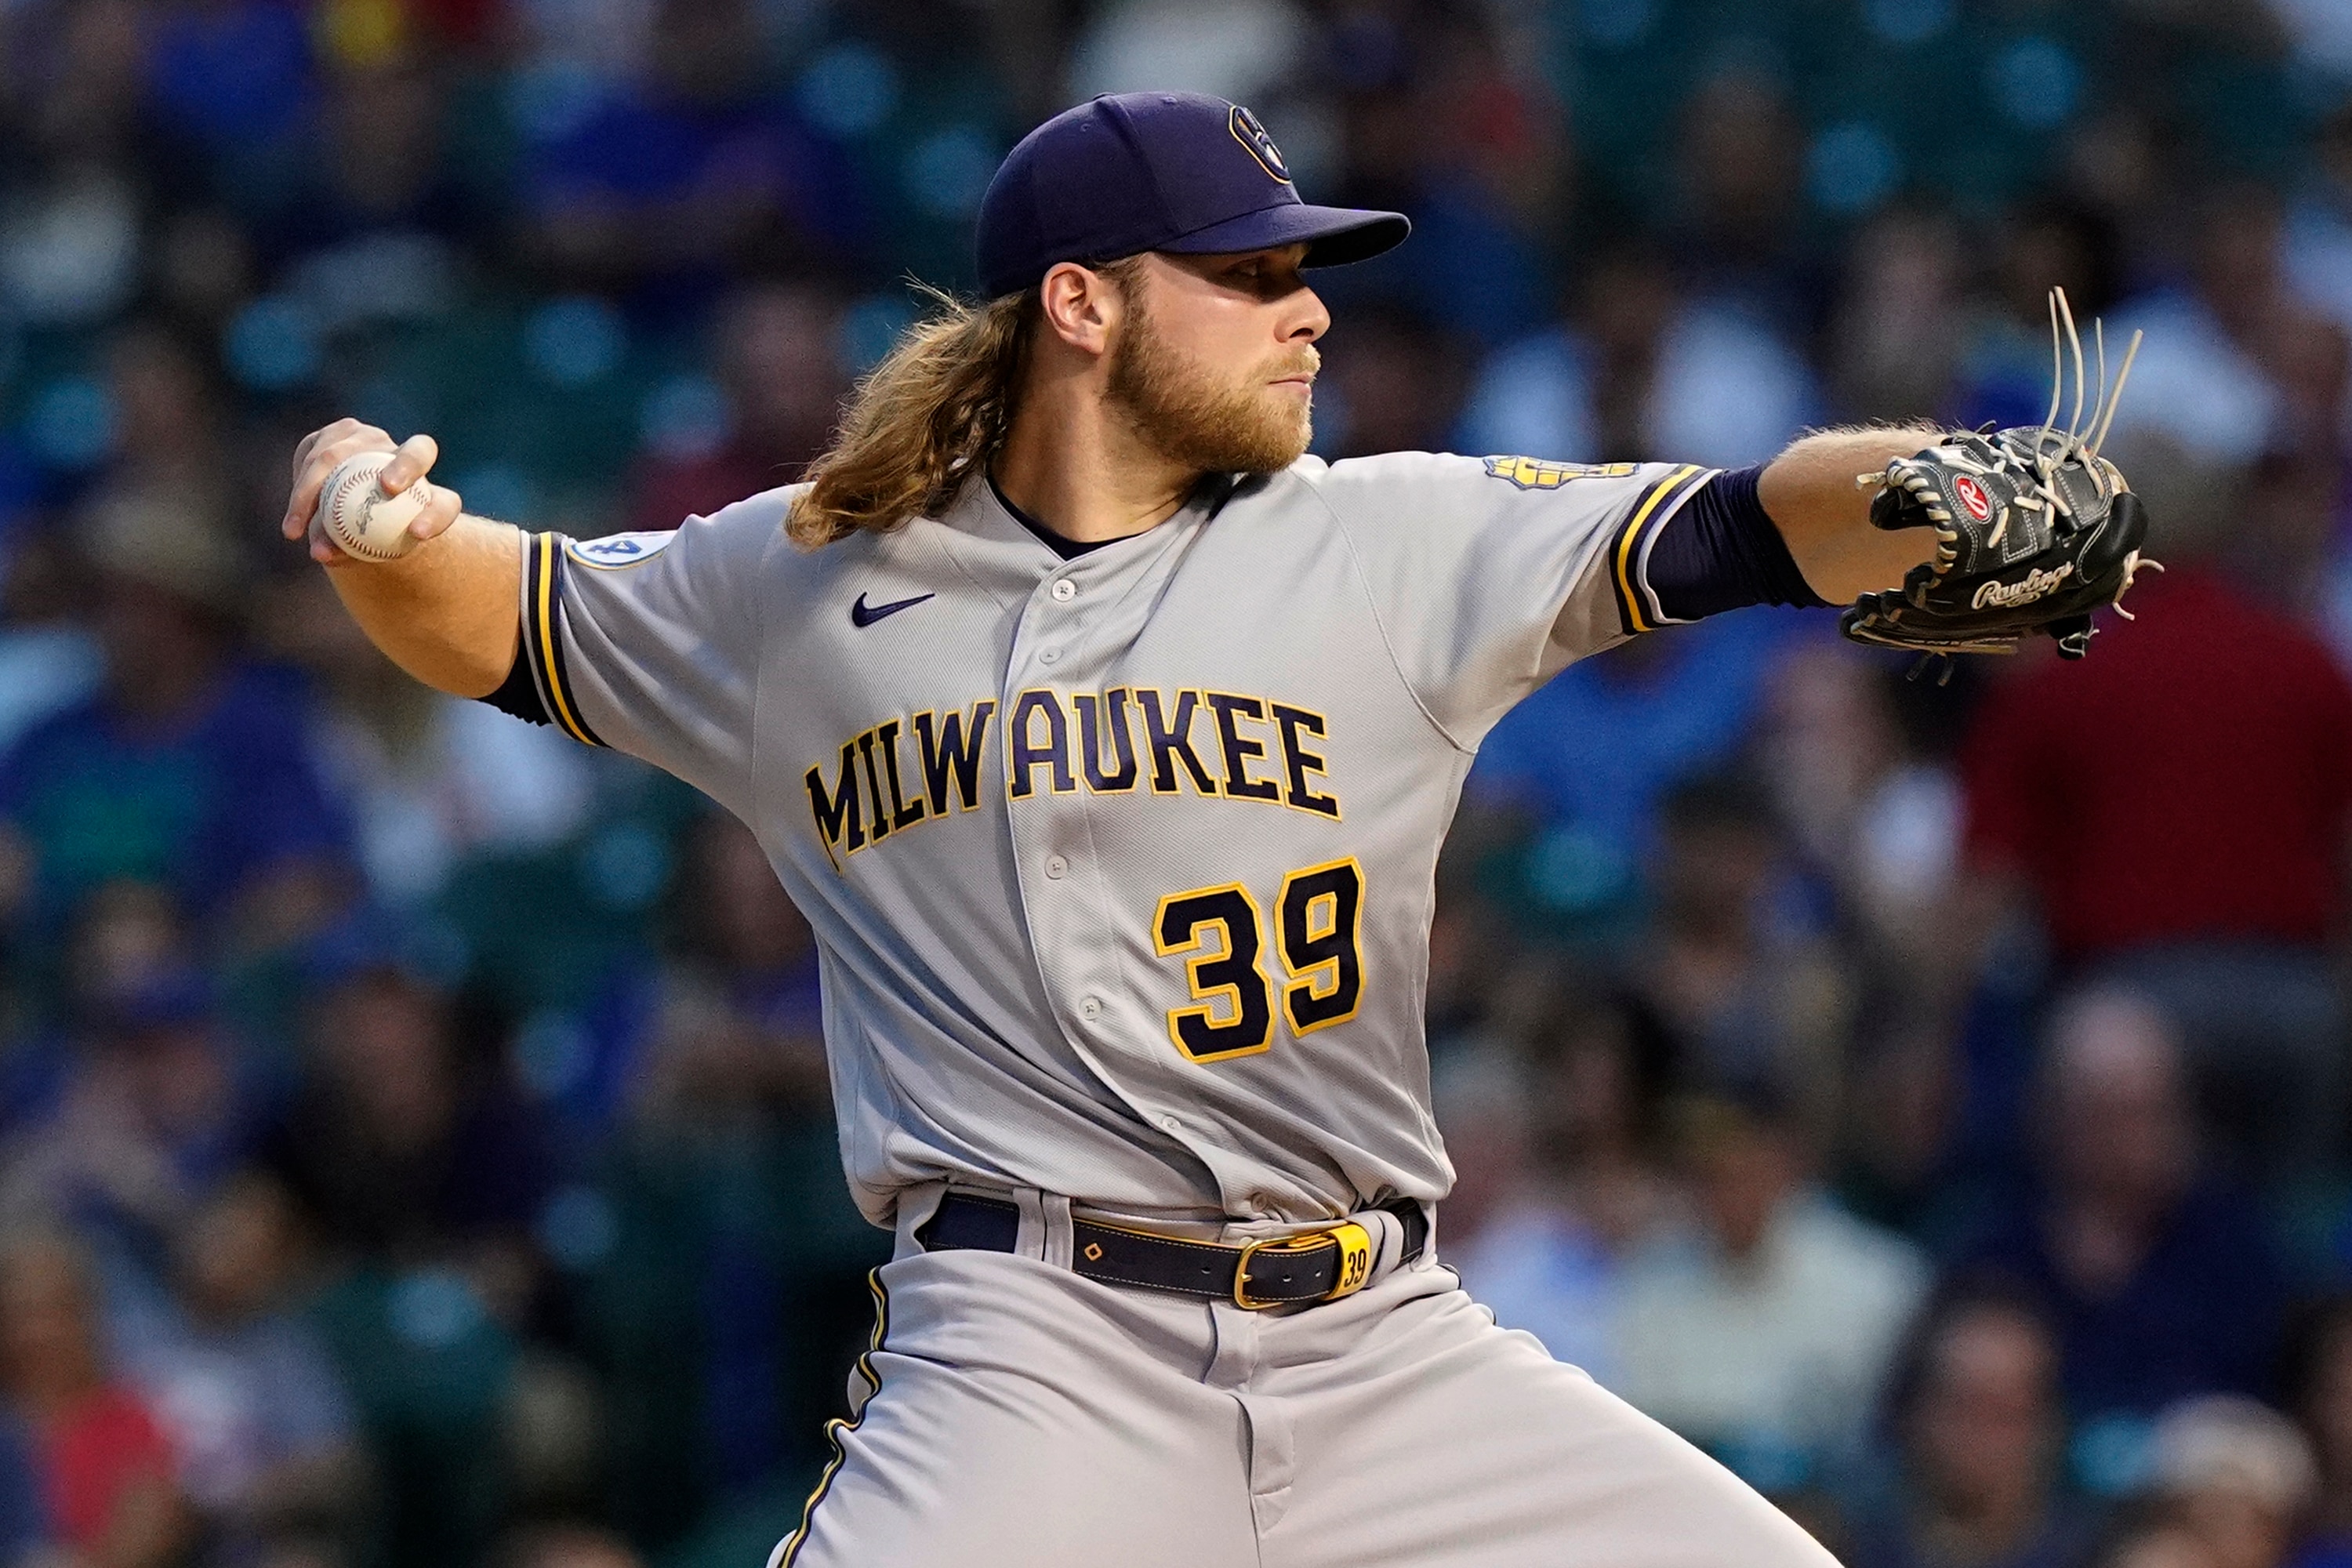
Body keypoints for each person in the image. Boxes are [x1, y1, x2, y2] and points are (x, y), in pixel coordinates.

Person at [275, 90, 2115, 1568]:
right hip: (1030, 1358)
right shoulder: (802, 582)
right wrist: (371, 523)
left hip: (1384, 1343)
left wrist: (1916, 487)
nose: (1309, 303)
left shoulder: (1390, 536)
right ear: (1082, 301)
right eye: (1247, 272)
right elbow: (504, 616)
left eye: (1304, 265)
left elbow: (1731, 527)